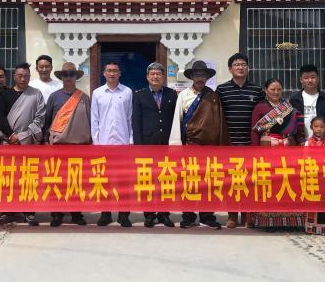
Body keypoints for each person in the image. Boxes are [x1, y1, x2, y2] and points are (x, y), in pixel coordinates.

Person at [170, 60, 227, 229]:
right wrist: (176, 145)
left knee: (209, 183)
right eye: (197, 75)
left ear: (207, 77)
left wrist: (221, 146)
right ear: (192, 77)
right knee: (189, 182)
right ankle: (188, 216)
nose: (200, 78)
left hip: (210, 148)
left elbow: (219, 123)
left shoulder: (213, 97)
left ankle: (207, 216)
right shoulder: (183, 95)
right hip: (190, 145)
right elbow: (177, 120)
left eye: (203, 75)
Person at [248, 78, 305, 230]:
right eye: (272, 89)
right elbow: (254, 131)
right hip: (267, 149)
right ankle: (268, 221)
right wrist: (255, 153)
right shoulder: (260, 107)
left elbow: (299, 129)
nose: (276, 92)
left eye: (279, 89)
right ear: (265, 90)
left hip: (288, 149)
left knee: (287, 181)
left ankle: (290, 220)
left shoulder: (288, 106)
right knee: (270, 182)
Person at [0, 62, 46, 226]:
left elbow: (40, 118)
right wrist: (11, 135)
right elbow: (0, 117)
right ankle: (8, 211)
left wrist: (22, 136)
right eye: (20, 76)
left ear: (30, 77)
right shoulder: (5, 95)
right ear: (14, 76)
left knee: (28, 178)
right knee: (8, 178)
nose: (23, 79)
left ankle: (29, 212)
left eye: (26, 76)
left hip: (28, 143)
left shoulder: (36, 94)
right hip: (8, 142)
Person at [216, 52, 263, 228]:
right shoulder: (222, 90)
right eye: (236, 65)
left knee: (248, 181)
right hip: (229, 143)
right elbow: (217, 115)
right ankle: (232, 215)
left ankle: (247, 215)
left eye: (243, 64)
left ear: (248, 68)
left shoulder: (257, 90)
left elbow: (262, 115)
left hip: (250, 143)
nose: (240, 67)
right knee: (231, 181)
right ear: (230, 69)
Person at [43, 62, 91, 227]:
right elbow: (47, 121)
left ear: (76, 77)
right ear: (61, 77)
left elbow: (90, 122)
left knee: (76, 182)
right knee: (57, 181)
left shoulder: (84, 98)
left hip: (79, 147)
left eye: (71, 74)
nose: (68, 77)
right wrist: (46, 141)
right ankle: (57, 213)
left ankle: (76, 213)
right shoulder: (54, 97)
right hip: (58, 147)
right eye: (65, 75)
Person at [132, 62, 178, 228]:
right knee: (148, 180)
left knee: (166, 179)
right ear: (147, 77)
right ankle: (149, 214)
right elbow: (136, 122)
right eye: (152, 74)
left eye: (158, 74)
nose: (155, 76)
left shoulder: (172, 94)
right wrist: (138, 146)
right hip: (147, 144)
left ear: (163, 77)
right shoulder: (139, 95)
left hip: (166, 143)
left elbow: (175, 119)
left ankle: (164, 214)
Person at [91, 61, 133, 227]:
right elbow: (94, 120)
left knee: (124, 181)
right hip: (104, 144)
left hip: (123, 144)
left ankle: (124, 214)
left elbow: (130, 118)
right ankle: (105, 213)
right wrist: (96, 143)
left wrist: (131, 141)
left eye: (115, 70)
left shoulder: (127, 92)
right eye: (109, 71)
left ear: (120, 73)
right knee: (104, 180)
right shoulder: (97, 93)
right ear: (104, 73)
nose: (112, 73)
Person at [289, 64, 325, 140]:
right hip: (300, 143)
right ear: (301, 80)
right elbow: (290, 124)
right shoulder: (294, 100)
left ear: (318, 79)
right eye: (306, 78)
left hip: (323, 143)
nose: (310, 80)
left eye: (313, 77)